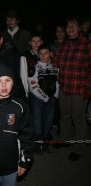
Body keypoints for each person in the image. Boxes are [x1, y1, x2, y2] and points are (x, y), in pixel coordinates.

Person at [0, 62, 34, 186]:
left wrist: (24, 161)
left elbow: (27, 135)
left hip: (11, 162)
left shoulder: (20, 106)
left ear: (13, 82)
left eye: (8, 80)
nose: (4, 84)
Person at [54, 16, 91, 161]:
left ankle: (79, 148)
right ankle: (63, 139)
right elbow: (56, 63)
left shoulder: (87, 45)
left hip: (80, 89)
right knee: (64, 115)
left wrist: (88, 88)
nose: (71, 28)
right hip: (64, 87)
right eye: (68, 25)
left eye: (74, 25)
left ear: (80, 28)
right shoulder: (62, 45)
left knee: (78, 118)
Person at [27, 44, 59, 153]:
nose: (43, 55)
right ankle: (37, 144)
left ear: (50, 54)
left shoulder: (55, 68)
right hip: (38, 99)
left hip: (52, 98)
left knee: (48, 121)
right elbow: (33, 86)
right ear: (38, 55)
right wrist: (46, 98)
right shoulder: (34, 68)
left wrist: (55, 96)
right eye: (40, 53)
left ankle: (45, 142)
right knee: (37, 122)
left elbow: (58, 83)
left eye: (45, 53)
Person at [0, 30, 27, 102]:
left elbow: (14, 75)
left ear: (1, 39)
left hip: (13, 91)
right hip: (4, 90)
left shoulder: (10, 53)